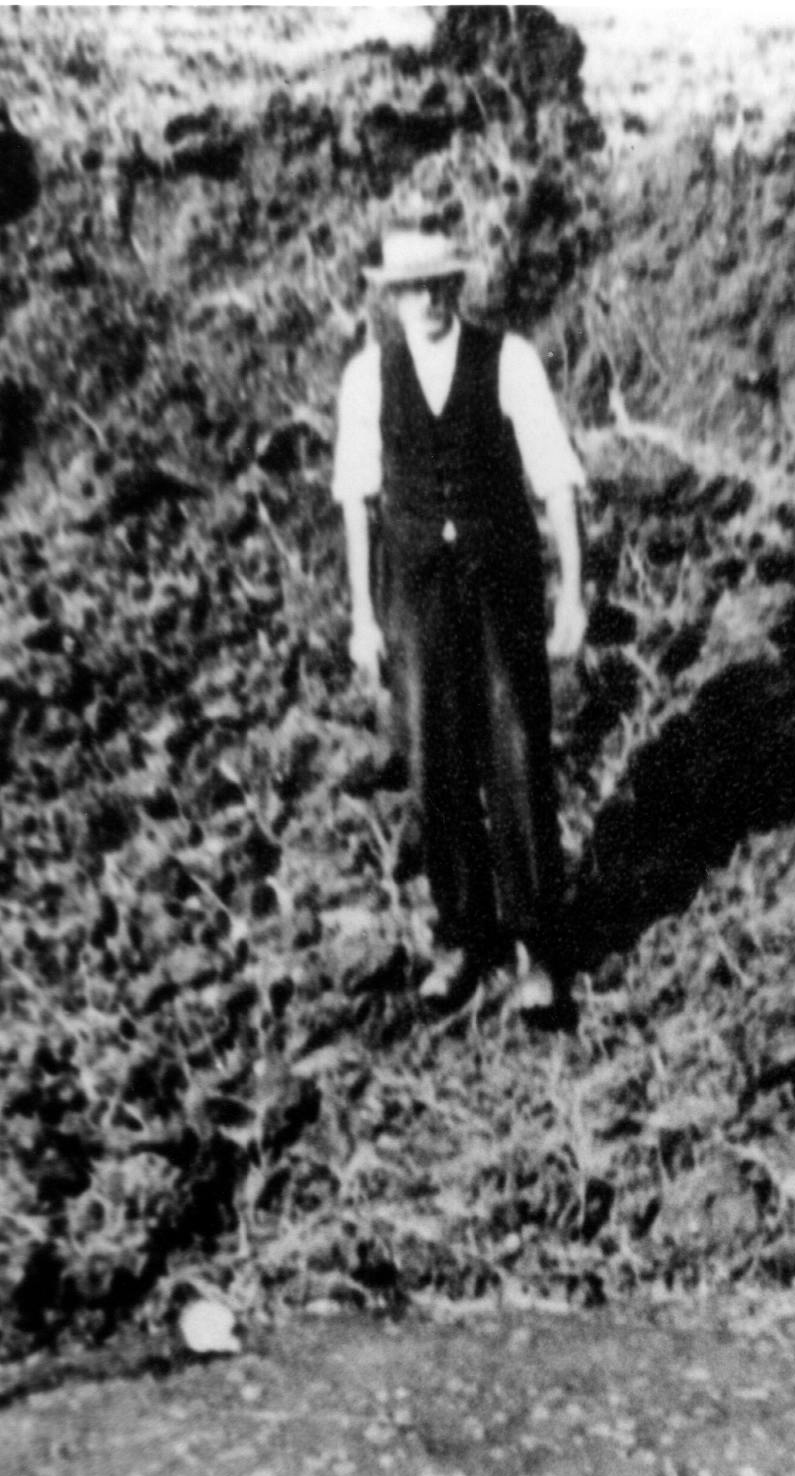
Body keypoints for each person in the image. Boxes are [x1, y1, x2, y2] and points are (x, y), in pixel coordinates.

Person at [333, 228, 588, 1019]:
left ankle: (538, 950)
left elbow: (554, 477)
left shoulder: (507, 359)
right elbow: (356, 500)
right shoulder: (369, 376)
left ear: (457, 286)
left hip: (500, 578)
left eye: (441, 284)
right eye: (414, 289)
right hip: (414, 587)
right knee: (433, 759)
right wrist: (364, 617)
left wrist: (572, 591)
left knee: (516, 750)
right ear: (393, 297)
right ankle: (460, 940)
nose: (430, 300)